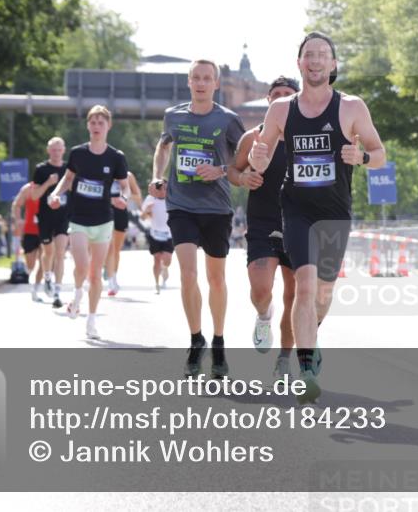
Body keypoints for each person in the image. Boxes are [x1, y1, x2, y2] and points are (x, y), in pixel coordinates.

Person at [249, 31, 385, 402]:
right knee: (304, 288)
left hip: (335, 213)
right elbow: (261, 152)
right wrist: (257, 160)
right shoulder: (280, 109)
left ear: (333, 64)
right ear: (299, 63)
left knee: (323, 294)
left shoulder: (352, 107)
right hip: (295, 209)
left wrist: (364, 158)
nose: (315, 60)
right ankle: (306, 368)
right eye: (309, 54)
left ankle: (313, 333)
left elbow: (380, 152)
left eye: (322, 54)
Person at [150, 59, 245, 378]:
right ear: (188, 82)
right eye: (196, 78)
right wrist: (157, 175)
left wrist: (218, 170)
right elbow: (163, 147)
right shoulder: (173, 116)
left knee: (216, 279)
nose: (201, 83)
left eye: (207, 78)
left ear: (216, 84)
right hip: (181, 205)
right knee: (188, 275)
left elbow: (240, 166)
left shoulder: (229, 120)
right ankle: (196, 340)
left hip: (216, 207)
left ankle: (218, 342)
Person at [230, 75, 300, 379]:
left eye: (288, 94)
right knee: (261, 289)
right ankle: (263, 314)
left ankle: (285, 358)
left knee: (294, 298)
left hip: (301, 223)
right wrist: (244, 179)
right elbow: (233, 170)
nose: (282, 98)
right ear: (269, 101)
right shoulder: (254, 137)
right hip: (263, 222)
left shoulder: (309, 137)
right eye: (277, 94)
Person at [48, 105, 129, 340]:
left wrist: (123, 198)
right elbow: (68, 178)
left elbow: (124, 185)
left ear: (108, 126)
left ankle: (91, 321)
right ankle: (76, 296)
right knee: (82, 266)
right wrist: (56, 193)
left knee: (95, 275)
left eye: (100, 123)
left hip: (103, 220)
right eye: (92, 123)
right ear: (87, 126)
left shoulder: (116, 157)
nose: (96, 127)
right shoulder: (77, 153)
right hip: (79, 219)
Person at [31, 137, 69, 308]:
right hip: (45, 217)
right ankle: (47, 277)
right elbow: (34, 196)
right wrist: (48, 183)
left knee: (60, 253)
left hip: (64, 216)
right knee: (48, 252)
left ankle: (58, 292)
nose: (56, 153)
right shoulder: (41, 169)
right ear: (48, 151)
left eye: (59, 149)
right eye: (53, 150)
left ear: (64, 150)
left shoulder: (69, 169)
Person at [105, 170, 143, 296]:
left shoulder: (128, 175)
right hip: (103, 211)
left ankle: (113, 279)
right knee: (106, 246)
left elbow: (138, 196)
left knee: (115, 249)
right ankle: (106, 271)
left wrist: (123, 196)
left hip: (120, 211)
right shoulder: (102, 170)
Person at [12, 182, 45, 301]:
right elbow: (16, 205)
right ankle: (31, 279)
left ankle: (36, 289)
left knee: (44, 262)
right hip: (30, 231)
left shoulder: (51, 187)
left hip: (45, 230)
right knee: (31, 264)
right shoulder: (28, 189)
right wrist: (18, 220)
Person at [141, 180, 174, 294]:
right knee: (156, 260)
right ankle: (156, 284)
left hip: (169, 234)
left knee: (167, 260)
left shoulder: (172, 199)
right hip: (155, 233)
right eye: (160, 188)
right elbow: (143, 217)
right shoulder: (150, 199)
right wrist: (147, 210)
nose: (163, 190)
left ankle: (165, 268)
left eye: (165, 188)